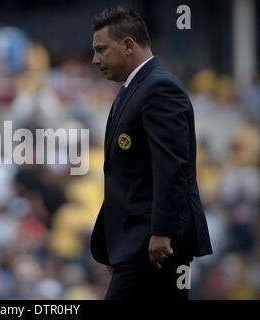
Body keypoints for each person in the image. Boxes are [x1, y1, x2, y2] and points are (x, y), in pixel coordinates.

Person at [89, 7, 212, 300]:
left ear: (128, 45)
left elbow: (172, 167)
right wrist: (115, 245)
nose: (95, 59)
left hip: (154, 245)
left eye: (101, 50)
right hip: (136, 245)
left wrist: (163, 232)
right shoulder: (134, 89)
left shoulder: (159, 88)